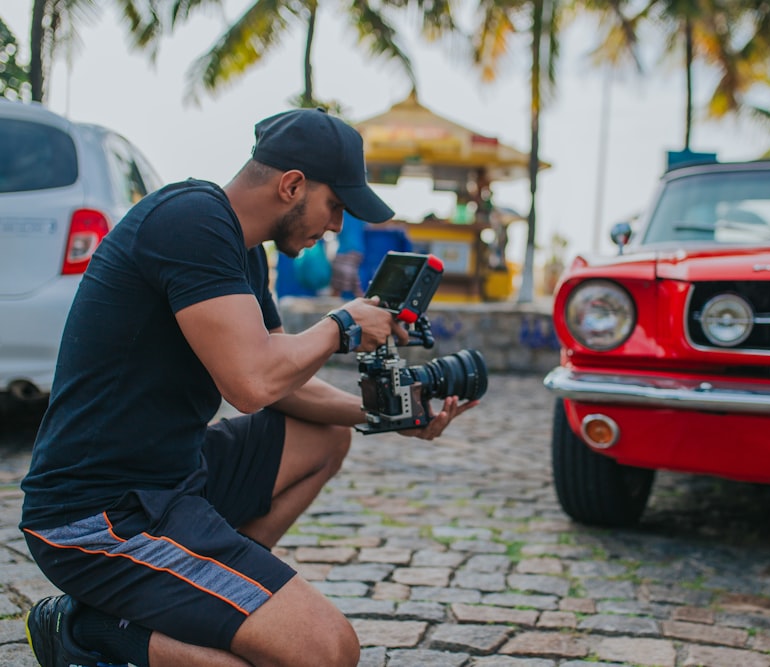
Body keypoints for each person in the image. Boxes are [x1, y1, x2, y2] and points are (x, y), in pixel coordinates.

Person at [18, 108, 477, 667]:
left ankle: (223, 606)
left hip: (173, 477)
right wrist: (343, 326)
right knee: (326, 653)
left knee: (323, 438)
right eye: (335, 206)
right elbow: (252, 382)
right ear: (292, 186)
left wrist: (382, 415)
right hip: (99, 513)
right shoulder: (190, 220)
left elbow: (283, 383)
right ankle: (89, 631)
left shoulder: (245, 253)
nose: (335, 225)